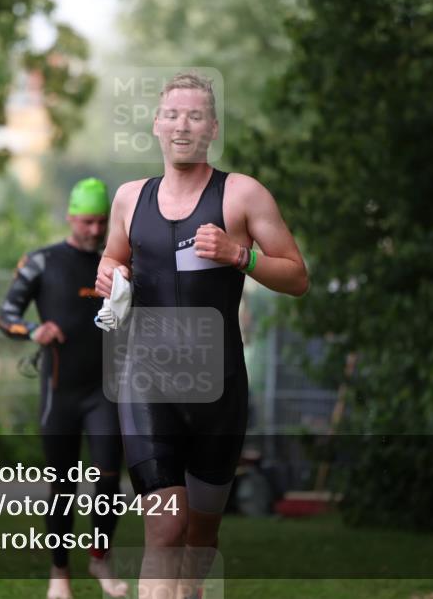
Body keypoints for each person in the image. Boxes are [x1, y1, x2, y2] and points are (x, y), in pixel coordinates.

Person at [95, 72, 310, 597]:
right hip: (145, 381)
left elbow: (297, 276)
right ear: (156, 124)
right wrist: (108, 274)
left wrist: (240, 255)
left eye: (195, 116)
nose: (182, 126)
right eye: (172, 115)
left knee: (200, 538)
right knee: (165, 528)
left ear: (212, 128)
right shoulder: (129, 198)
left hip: (218, 387)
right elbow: (112, 258)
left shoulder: (242, 194)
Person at [0, 178, 128, 599]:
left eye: (101, 222)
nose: (95, 230)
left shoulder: (119, 264)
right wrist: (33, 329)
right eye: (87, 221)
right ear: (70, 217)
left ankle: (100, 558)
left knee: (109, 480)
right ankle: (59, 575)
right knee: (63, 487)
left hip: (105, 392)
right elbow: (6, 315)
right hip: (61, 393)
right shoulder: (42, 261)